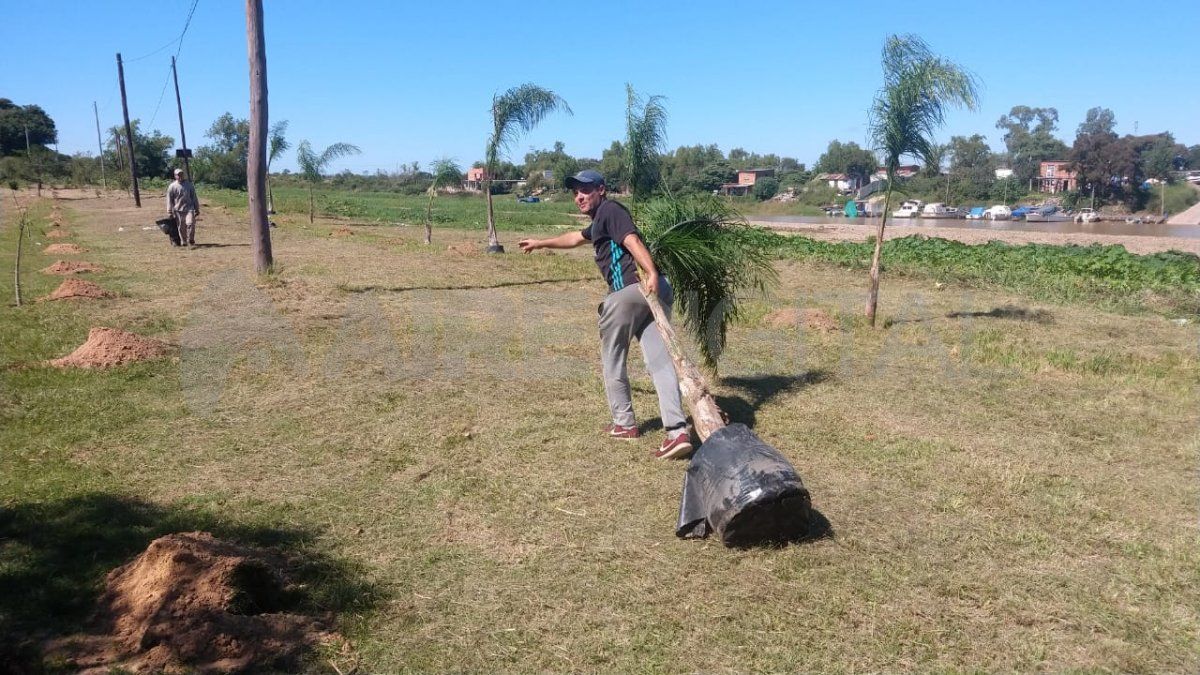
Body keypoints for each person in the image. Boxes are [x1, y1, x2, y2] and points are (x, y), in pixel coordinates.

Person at [518, 169, 694, 459]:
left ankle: (624, 424)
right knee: (659, 362)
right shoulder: (600, 220)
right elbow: (576, 237)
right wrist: (541, 243)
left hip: (630, 290)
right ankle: (677, 433)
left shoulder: (611, 210)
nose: (579, 197)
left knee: (612, 359)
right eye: (575, 192)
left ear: (601, 189)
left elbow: (631, 240)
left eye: (585, 190)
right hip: (655, 290)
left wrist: (649, 271)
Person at [166, 168, 200, 248]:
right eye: (178, 175)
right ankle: (184, 241)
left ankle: (191, 240)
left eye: (181, 174)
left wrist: (197, 208)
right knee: (181, 227)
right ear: (175, 176)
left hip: (189, 208)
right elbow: (169, 199)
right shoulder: (172, 186)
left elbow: (194, 197)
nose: (180, 176)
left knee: (190, 223)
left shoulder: (189, 185)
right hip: (178, 210)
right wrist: (169, 211)